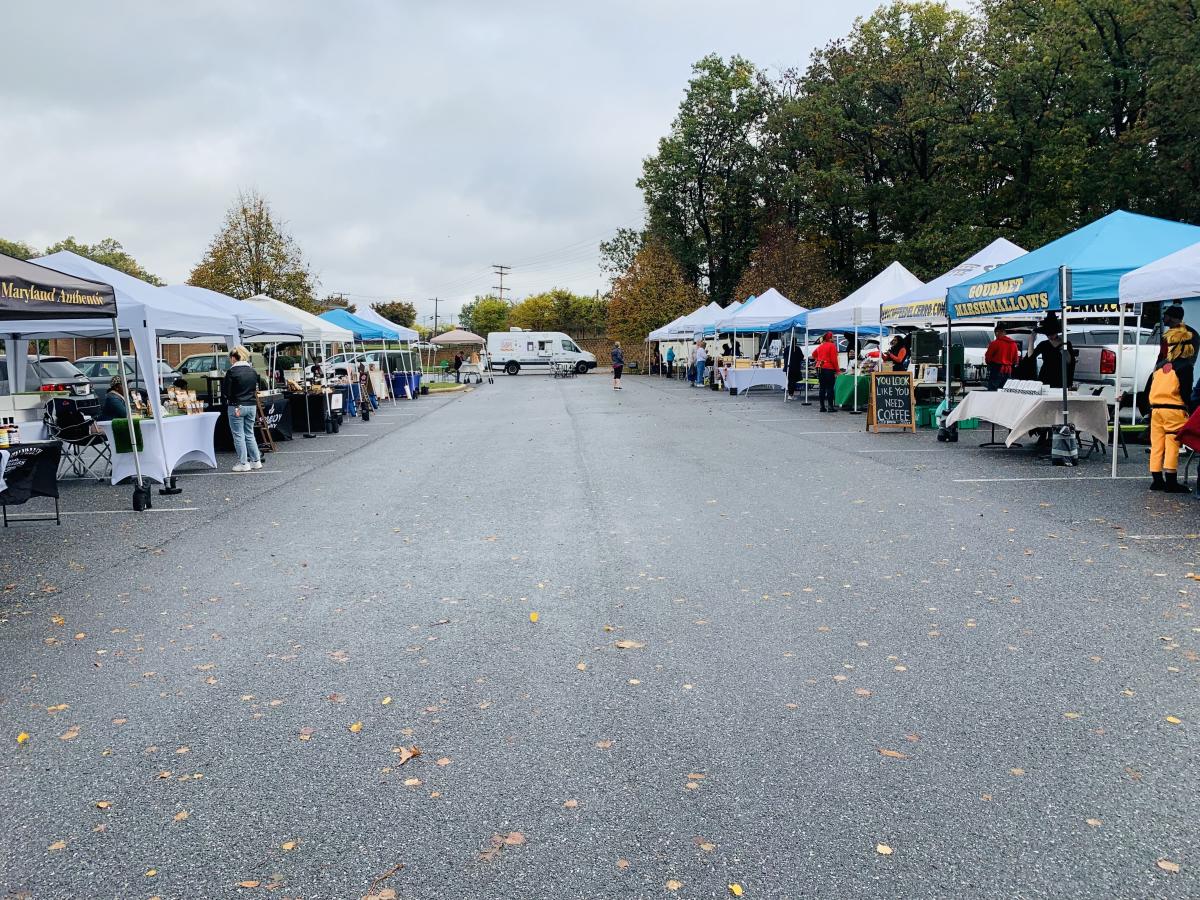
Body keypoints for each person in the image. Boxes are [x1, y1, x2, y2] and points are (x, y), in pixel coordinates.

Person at [1144, 360, 1191, 493]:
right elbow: (1186, 392)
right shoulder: (1185, 366)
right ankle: (1171, 481)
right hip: (1174, 410)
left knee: (1157, 445)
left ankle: (1157, 479)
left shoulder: (1160, 365)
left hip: (1156, 409)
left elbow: (1150, 388)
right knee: (1172, 444)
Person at [223, 345, 262, 472]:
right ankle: (256, 460)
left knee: (238, 435)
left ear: (234, 358)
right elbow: (257, 387)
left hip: (236, 405)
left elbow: (226, 392)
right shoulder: (253, 371)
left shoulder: (231, 372)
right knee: (249, 433)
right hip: (251, 405)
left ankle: (243, 463)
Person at [1161, 305, 1198, 403]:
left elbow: (1191, 357)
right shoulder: (1168, 333)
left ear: (1171, 317)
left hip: (1179, 374)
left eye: (1165, 315)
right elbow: (1162, 355)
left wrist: (1183, 370)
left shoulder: (1189, 333)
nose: (1163, 318)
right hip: (1165, 372)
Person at [984, 324, 1020, 390]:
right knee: (1005, 391)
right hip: (1008, 370)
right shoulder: (1013, 344)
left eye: (996, 333)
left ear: (997, 332)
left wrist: (989, 364)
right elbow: (1016, 360)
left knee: (993, 390)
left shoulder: (995, 343)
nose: (996, 335)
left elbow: (988, 357)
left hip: (996, 369)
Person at [811, 332, 840, 412]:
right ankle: (830, 407)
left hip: (819, 367)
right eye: (833, 337)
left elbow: (813, 354)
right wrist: (837, 370)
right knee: (830, 388)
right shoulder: (832, 346)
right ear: (830, 338)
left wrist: (818, 359)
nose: (833, 338)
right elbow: (834, 360)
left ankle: (822, 407)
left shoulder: (821, 345)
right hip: (828, 368)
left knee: (822, 388)